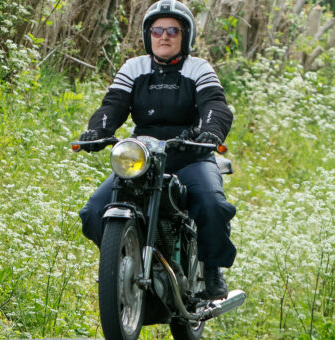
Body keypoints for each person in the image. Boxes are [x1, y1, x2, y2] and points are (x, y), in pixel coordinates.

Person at [77, 0, 236, 300]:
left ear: (185, 35)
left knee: (213, 206)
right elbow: (112, 106)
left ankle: (211, 268)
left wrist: (211, 132)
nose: (164, 36)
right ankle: (125, 259)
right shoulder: (134, 67)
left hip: (190, 155)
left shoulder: (198, 68)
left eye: (173, 30)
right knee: (94, 211)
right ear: (147, 34)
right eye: (157, 29)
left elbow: (216, 106)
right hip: (144, 158)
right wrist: (98, 130)